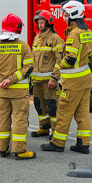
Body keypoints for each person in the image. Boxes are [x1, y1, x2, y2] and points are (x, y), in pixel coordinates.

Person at [41, 0, 92, 154]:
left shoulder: (74, 33)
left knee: (64, 112)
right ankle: (83, 144)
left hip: (72, 83)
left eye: (66, 15)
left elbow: (70, 58)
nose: (64, 18)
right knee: (83, 114)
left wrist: (61, 65)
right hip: (85, 80)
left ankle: (57, 143)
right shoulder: (88, 32)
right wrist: (82, 62)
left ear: (73, 15)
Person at [0, 13, 36, 159]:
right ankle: (20, 151)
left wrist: (1, 80)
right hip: (19, 92)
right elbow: (29, 68)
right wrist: (12, 80)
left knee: (2, 118)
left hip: (1, 92)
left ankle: (3, 149)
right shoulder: (23, 46)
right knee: (20, 119)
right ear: (18, 28)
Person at [29, 10, 63, 138]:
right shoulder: (37, 38)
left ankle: (55, 131)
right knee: (39, 105)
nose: (40, 25)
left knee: (52, 105)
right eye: (39, 23)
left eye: (42, 23)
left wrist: (54, 78)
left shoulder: (56, 39)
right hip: (37, 80)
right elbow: (33, 58)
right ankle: (43, 127)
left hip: (49, 81)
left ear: (49, 23)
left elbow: (59, 61)